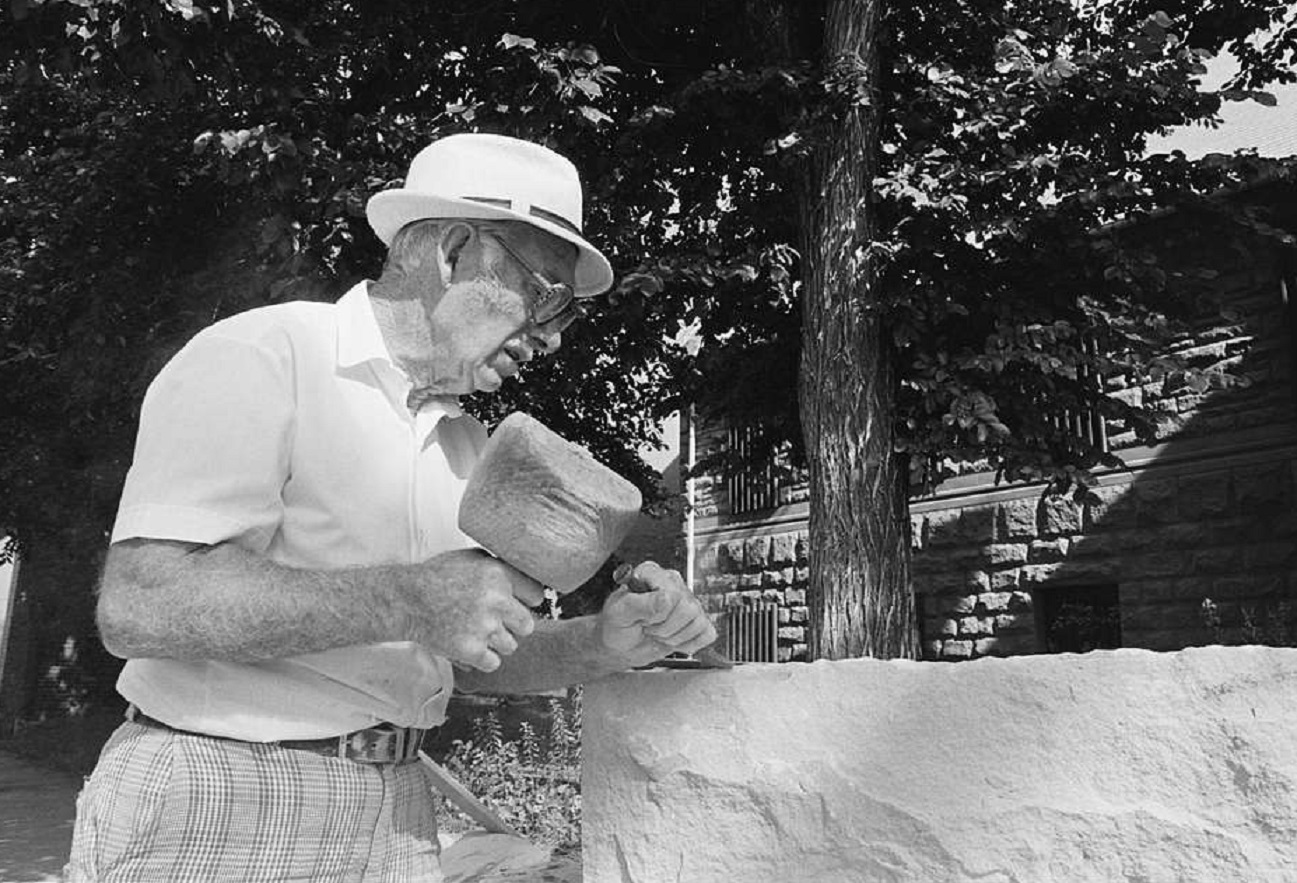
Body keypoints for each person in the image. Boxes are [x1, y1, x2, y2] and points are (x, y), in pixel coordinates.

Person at [66, 133, 718, 882]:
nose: (550, 338)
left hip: (397, 812)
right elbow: (140, 603)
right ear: (453, 252)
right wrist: (410, 598)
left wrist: (601, 642)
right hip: (220, 795)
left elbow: (458, 660)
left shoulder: (469, 444)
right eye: (547, 296)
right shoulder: (264, 356)